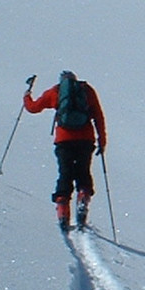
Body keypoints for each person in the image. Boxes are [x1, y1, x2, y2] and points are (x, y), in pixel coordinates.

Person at [24, 70, 107, 230]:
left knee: (65, 173)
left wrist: (26, 95)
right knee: (83, 171)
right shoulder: (86, 90)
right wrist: (102, 140)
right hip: (86, 139)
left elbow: (33, 108)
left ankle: (62, 211)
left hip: (64, 139)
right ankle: (83, 198)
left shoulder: (56, 91)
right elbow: (98, 116)